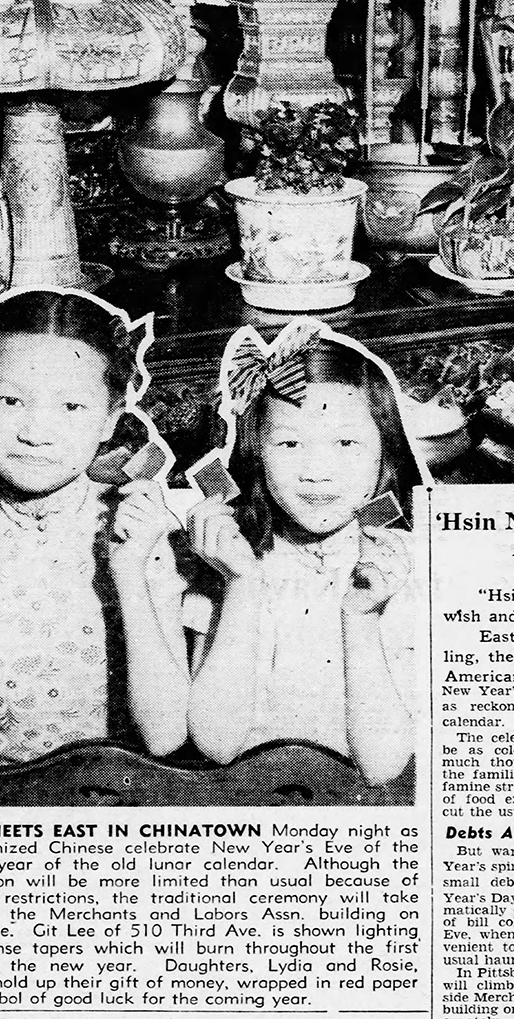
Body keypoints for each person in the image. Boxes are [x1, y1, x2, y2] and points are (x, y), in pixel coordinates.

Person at [0, 290, 191, 769]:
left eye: (71, 407)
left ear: (109, 419)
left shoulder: (137, 531)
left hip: (118, 792)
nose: (35, 432)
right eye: (9, 400)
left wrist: (128, 572)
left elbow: (166, 736)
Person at [186, 322, 422, 786]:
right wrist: (242, 584)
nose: (316, 472)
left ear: (385, 453)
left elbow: (382, 766)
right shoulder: (228, 558)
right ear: (256, 453)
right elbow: (215, 744)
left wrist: (362, 616)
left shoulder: (404, 563)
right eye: (290, 443)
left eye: (346, 443)